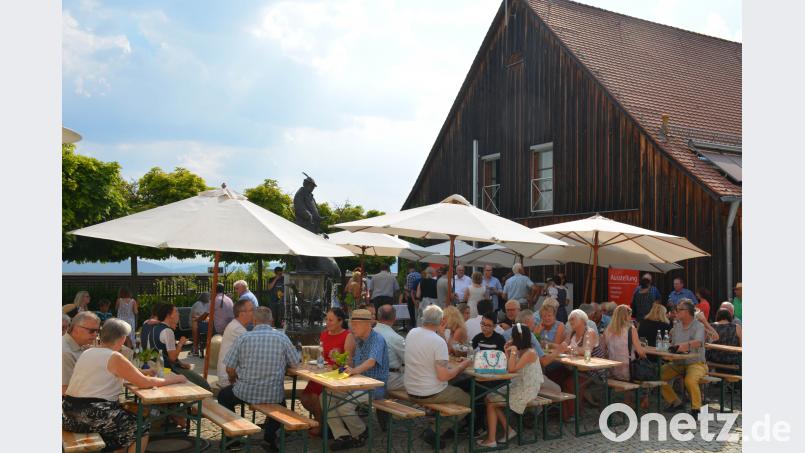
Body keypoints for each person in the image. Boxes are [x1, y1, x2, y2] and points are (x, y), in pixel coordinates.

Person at [63, 319, 187, 453]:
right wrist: (176, 379)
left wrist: (142, 372)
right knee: (141, 426)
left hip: (68, 413)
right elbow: (144, 383)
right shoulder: (114, 356)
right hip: (90, 415)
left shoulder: (89, 352)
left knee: (122, 425)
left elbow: (108, 372)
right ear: (122, 339)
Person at [219, 307, 300, 451]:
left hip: (245, 392)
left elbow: (229, 368)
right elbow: (295, 363)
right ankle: (269, 438)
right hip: (273, 394)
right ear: (271, 321)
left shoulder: (243, 338)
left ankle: (232, 438)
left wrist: (233, 379)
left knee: (223, 396)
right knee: (282, 406)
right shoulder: (282, 338)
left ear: (254, 321)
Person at [404, 305, 472, 448]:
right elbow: (443, 376)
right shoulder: (437, 341)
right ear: (442, 321)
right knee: (467, 399)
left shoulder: (412, 333)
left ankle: (445, 427)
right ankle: (436, 430)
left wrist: (440, 333)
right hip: (429, 393)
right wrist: (462, 366)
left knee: (456, 387)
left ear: (423, 318)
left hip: (410, 388)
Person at [325, 309, 388, 451]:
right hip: (358, 384)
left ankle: (360, 433)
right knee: (326, 397)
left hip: (374, 387)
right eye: (352, 324)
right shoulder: (359, 339)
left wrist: (354, 371)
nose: (352, 327)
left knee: (344, 407)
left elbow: (371, 361)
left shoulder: (377, 339)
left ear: (367, 324)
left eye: (356, 324)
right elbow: (353, 363)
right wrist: (339, 360)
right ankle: (342, 435)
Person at [478, 323, 542, 447]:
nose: (511, 339)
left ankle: (491, 440)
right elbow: (509, 367)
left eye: (512, 336)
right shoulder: (521, 351)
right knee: (489, 397)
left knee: (491, 403)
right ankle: (508, 430)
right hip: (518, 384)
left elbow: (511, 369)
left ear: (518, 338)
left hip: (527, 389)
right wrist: (507, 351)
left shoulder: (530, 352)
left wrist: (512, 351)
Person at [299, 308, 350, 436]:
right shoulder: (324, 334)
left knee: (314, 397)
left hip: (335, 375)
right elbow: (321, 354)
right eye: (326, 319)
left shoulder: (347, 335)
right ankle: (324, 420)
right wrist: (315, 364)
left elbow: (349, 362)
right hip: (322, 373)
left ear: (340, 321)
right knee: (304, 398)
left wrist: (336, 365)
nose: (327, 322)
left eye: (331, 320)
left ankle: (320, 424)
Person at [554, 309, 608, 421]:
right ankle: (560, 412)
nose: (570, 321)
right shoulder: (572, 332)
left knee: (571, 383)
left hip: (593, 370)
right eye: (570, 319)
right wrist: (554, 347)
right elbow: (563, 346)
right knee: (556, 375)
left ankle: (573, 414)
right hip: (577, 368)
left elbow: (585, 351)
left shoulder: (589, 332)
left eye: (573, 319)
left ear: (583, 320)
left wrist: (568, 349)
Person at [148, 303, 211, 390]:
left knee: (193, 377)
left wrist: (181, 364)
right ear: (169, 315)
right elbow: (172, 358)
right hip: (167, 370)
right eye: (176, 311)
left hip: (156, 366)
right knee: (203, 383)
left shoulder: (155, 328)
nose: (179, 314)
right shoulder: (167, 331)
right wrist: (181, 343)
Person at [660, 299, 708, 415]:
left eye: (678, 310)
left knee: (690, 381)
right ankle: (676, 402)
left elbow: (698, 342)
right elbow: (673, 345)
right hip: (678, 363)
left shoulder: (699, 326)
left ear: (687, 311)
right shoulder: (677, 326)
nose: (675, 312)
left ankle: (696, 409)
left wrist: (682, 347)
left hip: (696, 363)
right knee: (658, 375)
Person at [515, 310, 561, 393]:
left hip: (517, 378)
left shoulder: (512, 333)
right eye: (533, 322)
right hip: (530, 378)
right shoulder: (530, 335)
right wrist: (559, 350)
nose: (535, 324)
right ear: (527, 322)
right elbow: (544, 361)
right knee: (558, 389)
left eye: (549, 315)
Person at [602, 305, 647, 381]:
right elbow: (640, 352)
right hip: (628, 372)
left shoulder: (607, 330)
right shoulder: (631, 329)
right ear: (626, 317)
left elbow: (603, 351)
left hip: (611, 371)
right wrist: (646, 358)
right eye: (630, 316)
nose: (631, 318)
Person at [216, 299, 254, 389]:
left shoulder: (237, 325)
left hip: (230, 374)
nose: (254, 313)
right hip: (229, 377)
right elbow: (255, 349)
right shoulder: (237, 329)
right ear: (242, 314)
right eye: (251, 310)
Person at [63, 312, 101, 394]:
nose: (95, 334)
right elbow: (65, 389)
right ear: (76, 329)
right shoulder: (65, 353)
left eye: (97, 331)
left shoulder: (80, 345)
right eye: (92, 331)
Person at [374, 305, 406, 391]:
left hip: (371, 376)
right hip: (390, 380)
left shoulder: (370, 332)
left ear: (378, 317)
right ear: (394, 318)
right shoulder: (396, 338)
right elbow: (409, 360)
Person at [190, 292, 211, 356]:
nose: (210, 298)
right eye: (209, 297)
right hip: (196, 321)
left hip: (202, 321)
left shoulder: (207, 303)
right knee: (195, 323)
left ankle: (195, 347)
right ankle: (195, 347)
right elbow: (195, 316)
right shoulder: (198, 304)